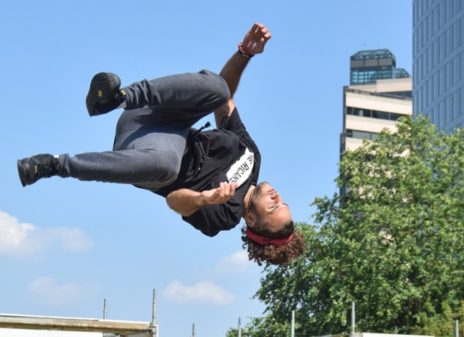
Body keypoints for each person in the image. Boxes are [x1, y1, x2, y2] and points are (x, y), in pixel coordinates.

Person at [16, 23, 304, 265]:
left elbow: (174, 201)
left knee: (166, 166)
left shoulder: (224, 216)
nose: (278, 197)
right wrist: (244, 54)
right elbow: (224, 102)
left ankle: (54, 164)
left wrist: (205, 198)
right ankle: (117, 98)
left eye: (273, 207)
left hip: (148, 149)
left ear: (251, 219)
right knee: (218, 88)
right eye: (283, 202)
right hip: (154, 112)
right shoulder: (253, 157)